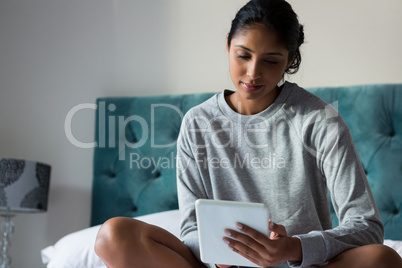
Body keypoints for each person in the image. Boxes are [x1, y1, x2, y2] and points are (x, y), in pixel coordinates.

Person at [94, 0, 402, 267]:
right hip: (221, 267)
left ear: (291, 60)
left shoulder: (320, 120)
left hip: (298, 265)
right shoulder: (197, 123)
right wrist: (222, 256)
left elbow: (367, 226)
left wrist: (294, 247)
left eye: (270, 61)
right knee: (113, 236)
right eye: (243, 55)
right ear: (228, 44)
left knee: (383, 260)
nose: (253, 73)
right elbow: (190, 229)